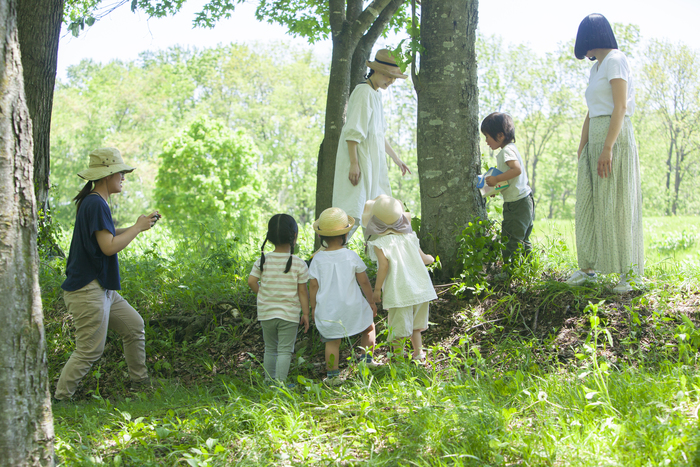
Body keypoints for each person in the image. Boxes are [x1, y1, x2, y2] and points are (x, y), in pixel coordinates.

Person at [54, 148, 160, 401]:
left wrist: (139, 226)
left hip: (101, 287)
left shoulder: (94, 202)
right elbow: (109, 246)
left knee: (134, 326)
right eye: (120, 173)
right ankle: (60, 399)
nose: (123, 177)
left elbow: (107, 235)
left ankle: (140, 384)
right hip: (88, 289)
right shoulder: (95, 203)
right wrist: (136, 228)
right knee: (89, 350)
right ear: (106, 176)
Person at [567, 13, 644, 293]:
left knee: (618, 203)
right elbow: (592, 110)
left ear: (591, 36)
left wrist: (608, 147)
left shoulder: (615, 59)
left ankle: (630, 273)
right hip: (596, 137)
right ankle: (588, 268)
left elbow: (620, 107)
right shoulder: (596, 68)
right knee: (590, 203)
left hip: (615, 137)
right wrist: (583, 145)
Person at [332, 48, 412, 240]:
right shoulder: (363, 92)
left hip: (373, 164)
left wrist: (397, 159)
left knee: (381, 214)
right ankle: (328, 257)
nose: (391, 81)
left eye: (394, 78)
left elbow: (377, 134)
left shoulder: (375, 95)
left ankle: (383, 262)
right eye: (388, 76)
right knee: (351, 213)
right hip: (360, 162)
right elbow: (354, 131)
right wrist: (354, 163)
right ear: (376, 71)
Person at [308, 207, 378, 385]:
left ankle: (332, 376)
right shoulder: (351, 256)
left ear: (320, 237)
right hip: (353, 306)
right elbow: (363, 282)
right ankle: (366, 361)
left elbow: (313, 285)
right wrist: (371, 301)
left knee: (332, 342)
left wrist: (313, 306)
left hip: (328, 309)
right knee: (369, 327)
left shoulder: (317, 259)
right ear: (345, 235)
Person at [363, 195, 437, 361]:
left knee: (398, 328)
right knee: (416, 328)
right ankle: (419, 354)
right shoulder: (410, 237)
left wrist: (377, 290)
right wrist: (431, 258)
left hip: (399, 291)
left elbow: (384, 266)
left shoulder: (380, 243)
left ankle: (397, 358)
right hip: (420, 289)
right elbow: (425, 259)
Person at [247, 214, 310, 385]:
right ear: (294, 237)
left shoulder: (263, 260)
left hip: (266, 313)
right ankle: (280, 385)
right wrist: (306, 313)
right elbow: (303, 292)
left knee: (270, 348)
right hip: (288, 315)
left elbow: (252, 281)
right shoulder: (299, 264)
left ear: (270, 237)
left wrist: (262, 295)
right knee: (284, 350)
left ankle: (268, 382)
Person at [481, 112, 535, 263]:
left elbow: (516, 170)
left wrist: (496, 178)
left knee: (511, 239)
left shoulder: (506, 151)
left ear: (500, 135)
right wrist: (496, 188)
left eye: (487, 136)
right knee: (523, 239)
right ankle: (528, 268)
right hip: (523, 200)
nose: (486, 141)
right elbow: (512, 177)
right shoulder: (510, 148)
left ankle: (510, 272)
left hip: (517, 203)